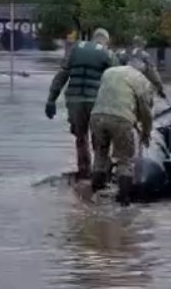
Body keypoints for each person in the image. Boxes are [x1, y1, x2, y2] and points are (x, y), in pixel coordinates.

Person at [45, 28, 118, 178]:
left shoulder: (75, 49)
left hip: (74, 100)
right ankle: (101, 171)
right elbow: (116, 81)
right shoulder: (108, 54)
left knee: (80, 136)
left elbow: (62, 75)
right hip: (95, 102)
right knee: (99, 138)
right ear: (106, 41)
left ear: (93, 39)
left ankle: (84, 171)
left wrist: (51, 99)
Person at [89, 55, 155, 206]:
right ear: (142, 69)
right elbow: (146, 112)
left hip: (96, 116)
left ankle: (96, 192)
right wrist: (146, 132)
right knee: (125, 159)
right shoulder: (142, 80)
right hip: (121, 120)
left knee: (100, 154)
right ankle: (124, 200)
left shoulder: (109, 72)